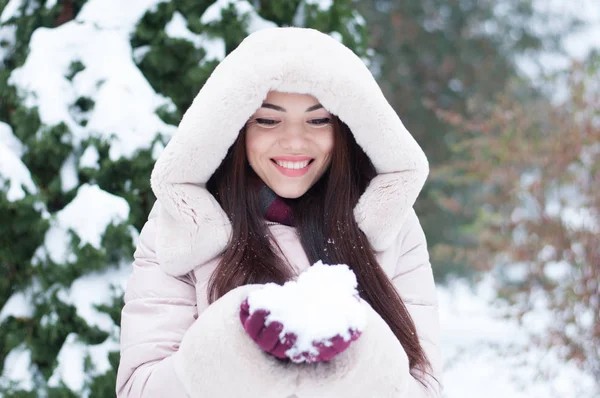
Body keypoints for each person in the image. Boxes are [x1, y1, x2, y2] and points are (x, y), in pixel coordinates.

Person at [116, 27, 442, 398]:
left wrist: (353, 351)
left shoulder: (390, 224)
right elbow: (139, 388)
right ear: (234, 128)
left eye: (319, 120)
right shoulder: (183, 224)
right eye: (268, 120)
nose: (294, 142)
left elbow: (424, 387)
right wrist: (236, 341)